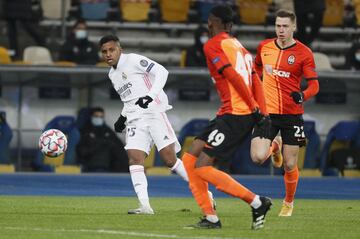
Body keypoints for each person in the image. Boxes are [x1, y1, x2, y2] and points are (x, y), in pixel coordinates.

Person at [99, 35, 215, 215]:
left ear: (120, 49)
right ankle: (145, 206)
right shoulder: (112, 74)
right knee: (135, 158)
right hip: (135, 118)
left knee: (170, 160)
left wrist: (151, 95)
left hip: (153, 112)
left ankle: (206, 194)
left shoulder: (134, 60)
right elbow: (129, 98)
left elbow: (162, 72)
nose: (108, 54)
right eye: (104, 51)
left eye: (111, 50)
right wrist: (122, 117)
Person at [182, 5, 273, 230]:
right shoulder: (240, 47)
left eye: (210, 21)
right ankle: (210, 217)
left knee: (203, 167)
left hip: (237, 113)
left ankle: (256, 201)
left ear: (212, 22)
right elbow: (256, 81)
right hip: (230, 112)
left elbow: (233, 77)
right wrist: (263, 112)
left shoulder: (213, 45)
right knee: (189, 159)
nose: (208, 25)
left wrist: (253, 109)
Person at [254, 9, 320, 217]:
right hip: (268, 113)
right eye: (278, 26)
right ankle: (275, 146)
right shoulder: (264, 47)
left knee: (290, 164)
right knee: (257, 157)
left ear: (294, 27)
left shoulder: (304, 52)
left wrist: (303, 95)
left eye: (285, 26)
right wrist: (257, 88)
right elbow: (255, 69)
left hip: (292, 115)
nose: (281, 30)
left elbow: (314, 85)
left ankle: (288, 203)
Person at [77, 107, 129, 172]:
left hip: (108, 166)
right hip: (90, 166)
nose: (98, 119)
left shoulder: (108, 131)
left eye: (101, 117)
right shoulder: (84, 131)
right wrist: (98, 145)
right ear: (91, 117)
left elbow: (119, 147)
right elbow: (81, 151)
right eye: (96, 116)